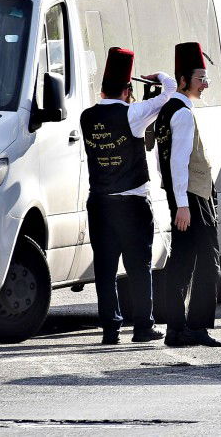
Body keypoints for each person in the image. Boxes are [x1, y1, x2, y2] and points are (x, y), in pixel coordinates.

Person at [80, 47, 176, 345]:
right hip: (132, 203)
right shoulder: (133, 114)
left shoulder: (87, 117)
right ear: (127, 90)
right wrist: (159, 77)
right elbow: (169, 93)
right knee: (138, 267)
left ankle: (110, 329)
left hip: (99, 202)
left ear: (102, 89)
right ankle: (143, 327)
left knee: (105, 269)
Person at [154, 42, 221, 348]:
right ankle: (196, 326)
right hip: (192, 197)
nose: (205, 84)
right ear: (184, 80)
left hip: (184, 195)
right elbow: (177, 161)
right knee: (209, 261)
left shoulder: (169, 107)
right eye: (200, 78)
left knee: (182, 260)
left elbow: (162, 160)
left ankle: (176, 329)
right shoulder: (181, 113)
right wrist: (182, 204)